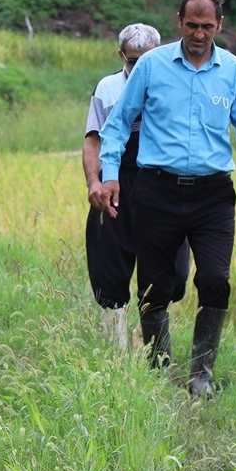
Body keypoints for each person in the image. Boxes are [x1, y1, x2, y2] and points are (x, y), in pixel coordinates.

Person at [94, 0, 236, 397]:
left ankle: (202, 374)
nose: (198, 34)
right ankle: (158, 369)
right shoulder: (152, 66)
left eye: (207, 26)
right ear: (179, 22)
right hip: (157, 191)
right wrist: (110, 173)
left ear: (219, 26)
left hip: (213, 195)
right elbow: (118, 124)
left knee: (215, 278)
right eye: (192, 25)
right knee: (155, 285)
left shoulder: (233, 71)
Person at [83, 23, 190, 350]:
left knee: (173, 272)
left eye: (147, 59)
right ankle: (114, 359)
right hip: (118, 185)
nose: (140, 67)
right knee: (110, 271)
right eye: (132, 61)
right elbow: (93, 141)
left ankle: (148, 342)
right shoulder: (108, 88)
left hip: (164, 187)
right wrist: (93, 183)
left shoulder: (180, 86)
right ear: (121, 56)